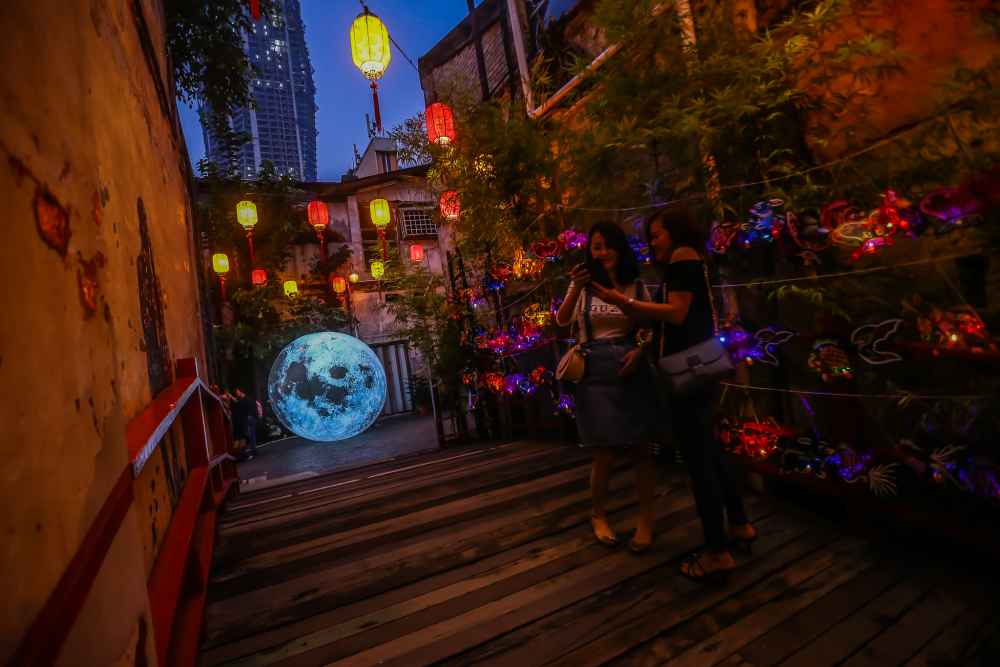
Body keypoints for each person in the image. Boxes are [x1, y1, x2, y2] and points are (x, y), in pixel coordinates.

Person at [589, 205, 755, 583]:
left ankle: (717, 552)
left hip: (688, 375)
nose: (653, 243)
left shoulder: (683, 259)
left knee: (699, 463)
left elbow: (677, 313)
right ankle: (739, 524)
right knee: (712, 452)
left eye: (657, 235)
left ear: (676, 232)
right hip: (697, 371)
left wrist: (624, 302)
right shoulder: (693, 261)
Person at [555, 222, 660, 552]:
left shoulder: (635, 285)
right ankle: (598, 515)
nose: (603, 252)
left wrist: (641, 352)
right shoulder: (585, 287)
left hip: (630, 366)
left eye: (608, 245)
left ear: (620, 247)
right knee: (603, 451)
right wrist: (576, 285)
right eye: (596, 246)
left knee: (641, 447)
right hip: (595, 370)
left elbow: (650, 326)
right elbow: (562, 319)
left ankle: (646, 521)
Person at [231, 388, 258, 461]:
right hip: (244, 420)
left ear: (241, 392)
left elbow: (248, 408)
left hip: (245, 420)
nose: (236, 393)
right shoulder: (244, 400)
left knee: (245, 436)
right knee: (247, 436)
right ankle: (246, 453)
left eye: (237, 392)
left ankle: (243, 454)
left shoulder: (243, 400)